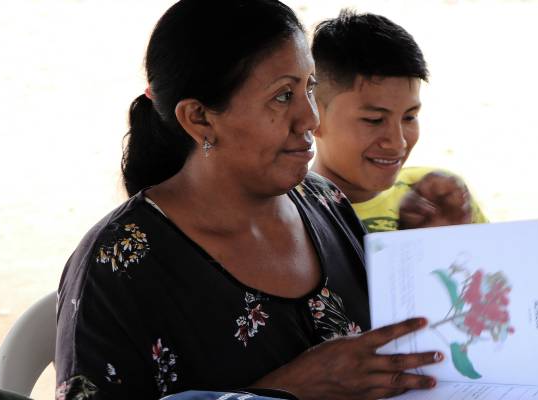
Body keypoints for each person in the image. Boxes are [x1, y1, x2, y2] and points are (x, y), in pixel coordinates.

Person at [54, 1, 443, 399]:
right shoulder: (118, 266)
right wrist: (289, 389)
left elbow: (401, 357)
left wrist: (432, 260)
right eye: (282, 96)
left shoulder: (323, 201)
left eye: (309, 88)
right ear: (199, 118)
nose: (310, 118)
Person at [308, 10, 487, 233]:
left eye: (409, 117)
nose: (398, 142)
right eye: (374, 120)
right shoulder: (288, 212)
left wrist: (447, 240)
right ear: (313, 115)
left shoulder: (441, 197)